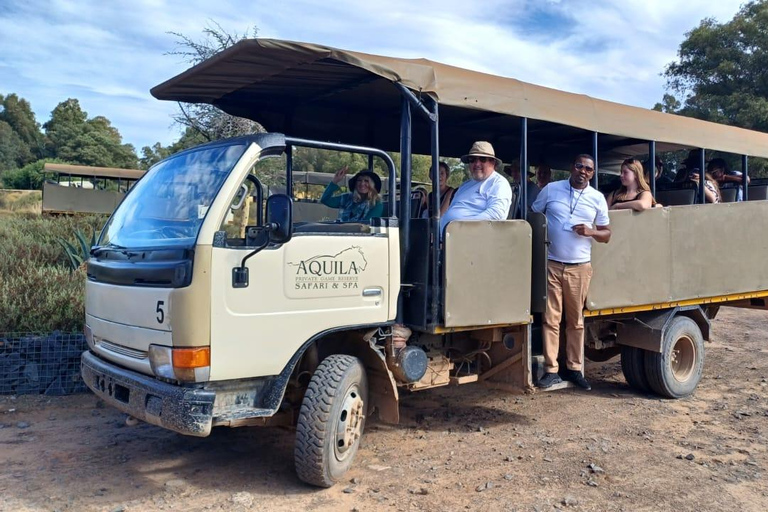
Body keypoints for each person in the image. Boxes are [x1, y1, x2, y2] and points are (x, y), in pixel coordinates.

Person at [531, 154, 611, 390]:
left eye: (588, 169)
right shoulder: (551, 189)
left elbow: (607, 234)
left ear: (592, 173)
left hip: (579, 267)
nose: (583, 171)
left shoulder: (597, 198)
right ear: (571, 167)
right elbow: (535, 215)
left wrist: (591, 232)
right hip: (552, 264)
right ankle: (550, 370)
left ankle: (575, 369)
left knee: (575, 321)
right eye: (579, 166)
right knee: (551, 319)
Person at [439, 141, 512, 232]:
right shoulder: (465, 185)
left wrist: (461, 228)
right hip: (446, 239)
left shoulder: (498, 183)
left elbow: (496, 215)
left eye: (482, 159)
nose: (477, 164)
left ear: (493, 162)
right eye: (472, 160)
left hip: (470, 239)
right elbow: (450, 211)